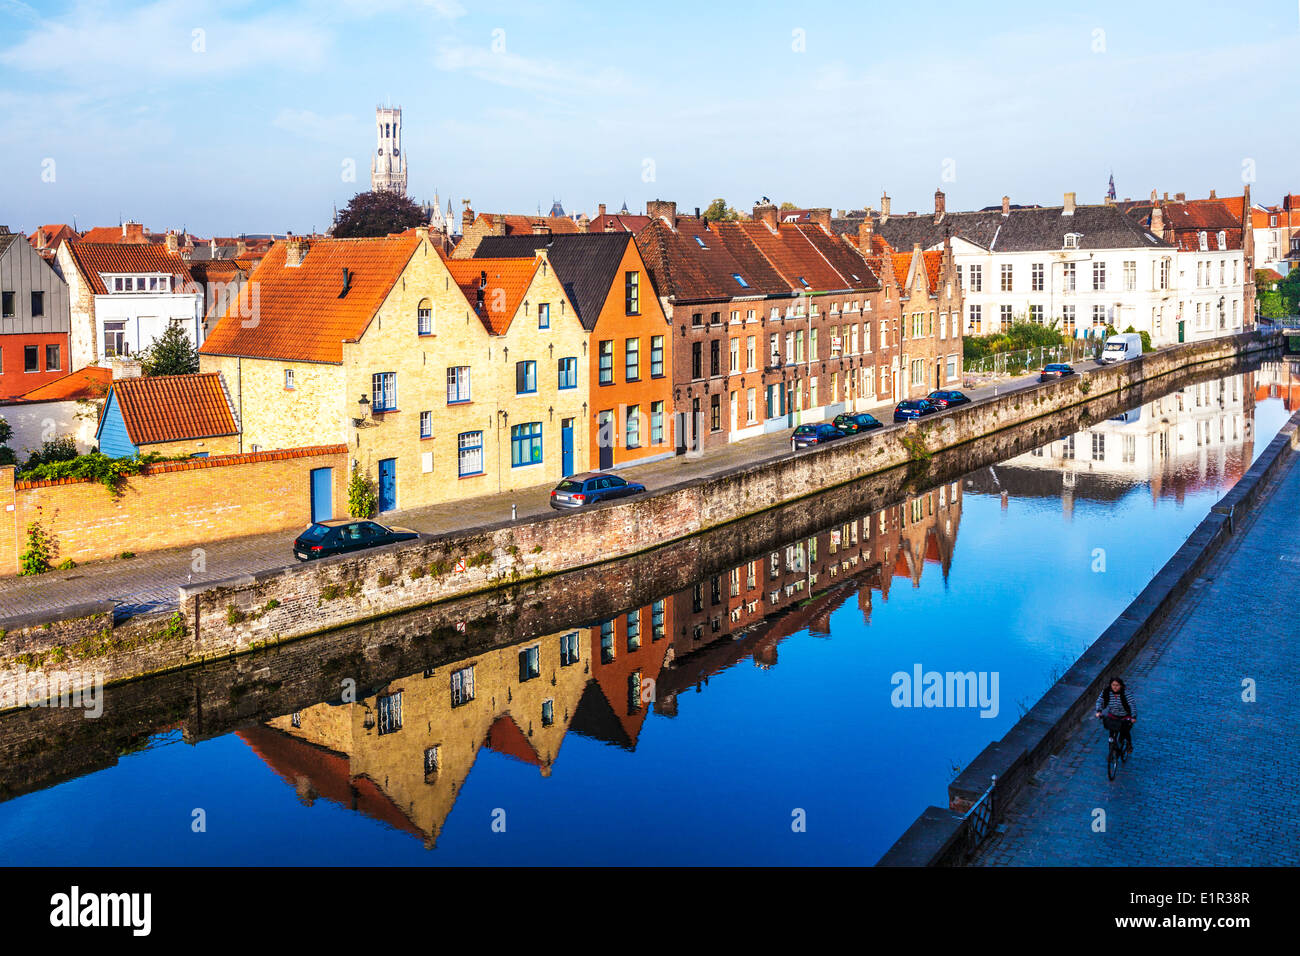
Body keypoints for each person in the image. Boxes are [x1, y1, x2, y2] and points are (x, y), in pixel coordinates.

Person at [1095, 676, 1136, 752]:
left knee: (1125, 731)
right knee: (1111, 731)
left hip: (1125, 715)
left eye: (1117, 685)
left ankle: (1129, 744)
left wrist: (1133, 717)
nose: (1115, 687)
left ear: (1121, 685)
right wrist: (1099, 711)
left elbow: (1132, 705)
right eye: (1113, 685)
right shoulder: (1106, 692)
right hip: (1113, 714)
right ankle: (1111, 752)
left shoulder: (1126, 694)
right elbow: (1099, 701)